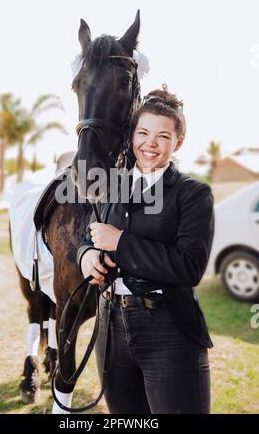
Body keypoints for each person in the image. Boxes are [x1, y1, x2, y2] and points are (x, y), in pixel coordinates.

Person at [76, 85, 215, 414]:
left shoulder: (192, 194)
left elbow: (189, 267)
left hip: (168, 330)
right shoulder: (112, 185)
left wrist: (120, 243)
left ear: (177, 141)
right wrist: (87, 256)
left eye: (163, 136)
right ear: (133, 135)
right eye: (143, 132)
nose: (150, 144)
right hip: (111, 327)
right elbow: (92, 236)